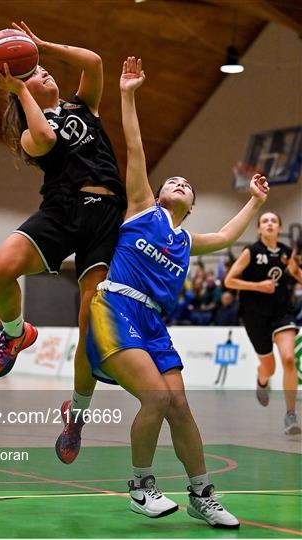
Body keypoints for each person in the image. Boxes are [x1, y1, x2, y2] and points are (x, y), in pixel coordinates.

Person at [86, 57, 270, 528]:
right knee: (156, 399)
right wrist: (128, 93)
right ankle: (141, 487)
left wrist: (255, 200)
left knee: (181, 406)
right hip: (116, 306)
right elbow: (135, 146)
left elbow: (228, 236)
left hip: (154, 323)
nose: (178, 182)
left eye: (186, 184)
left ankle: (201, 494)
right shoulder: (142, 207)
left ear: (191, 205)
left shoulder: (188, 240)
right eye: (173, 180)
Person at [0, 21, 126, 463]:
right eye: (36, 73)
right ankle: (15, 332)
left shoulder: (85, 106)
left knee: (89, 325)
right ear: (23, 90)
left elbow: (95, 62)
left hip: (104, 217)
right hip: (62, 212)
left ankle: (77, 416)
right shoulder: (30, 132)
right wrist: (19, 87)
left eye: (45, 70)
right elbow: (44, 137)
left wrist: (41, 45)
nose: (45, 73)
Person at [224, 212, 302, 434]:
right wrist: (258, 286)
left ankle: (290, 414)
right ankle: (262, 378)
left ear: (279, 228)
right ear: (259, 229)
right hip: (254, 314)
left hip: (282, 313)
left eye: (274, 221)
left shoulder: (288, 254)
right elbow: (229, 280)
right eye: (265, 221)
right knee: (270, 367)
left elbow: (298, 276)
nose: (269, 224)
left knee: (288, 359)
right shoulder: (251, 251)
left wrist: (297, 269)